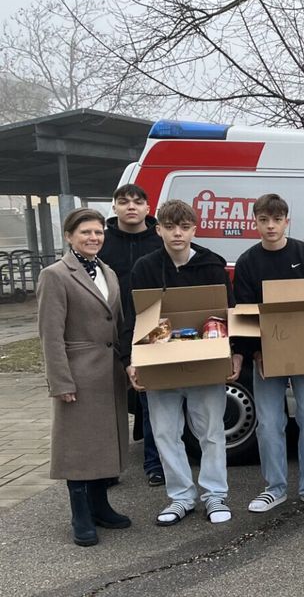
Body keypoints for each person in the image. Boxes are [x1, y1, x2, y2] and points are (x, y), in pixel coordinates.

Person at [124, 200, 241, 526]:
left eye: (184, 226)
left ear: (194, 228)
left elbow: (228, 314)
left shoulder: (211, 265)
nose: (178, 233)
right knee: (164, 433)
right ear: (158, 228)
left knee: (212, 434)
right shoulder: (145, 267)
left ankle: (215, 495)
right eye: (170, 227)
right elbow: (133, 318)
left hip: (203, 362)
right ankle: (180, 497)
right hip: (160, 362)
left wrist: (235, 353)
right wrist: (130, 361)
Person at [234, 194, 304, 513]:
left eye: (276, 220)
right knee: (268, 422)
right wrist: (254, 352)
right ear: (255, 223)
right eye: (264, 220)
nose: (271, 226)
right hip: (267, 354)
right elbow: (245, 311)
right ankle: (274, 487)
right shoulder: (248, 261)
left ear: (286, 221)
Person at [37, 208, 131, 546]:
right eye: (86, 232)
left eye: (99, 233)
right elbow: (50, 334)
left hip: (108, 371)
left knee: (104, 442)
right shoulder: (55, 275)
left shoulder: (108, 272)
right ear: (69, 236)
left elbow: (118, 323)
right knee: (78, 446)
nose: (94, 238)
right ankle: (80, 514)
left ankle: (100, 506)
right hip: (78, 371)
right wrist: (60, 381)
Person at [99, 183, 165, 487]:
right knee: (108, 400)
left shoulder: (159, 240)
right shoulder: (102, 241)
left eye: (138, 202)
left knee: (151, 398)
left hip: (148, 325)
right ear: (114, 207)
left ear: (148, 208)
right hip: (107, 329)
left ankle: (154, 463)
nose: (131, 207)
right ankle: (107, 466)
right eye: (123, 202)